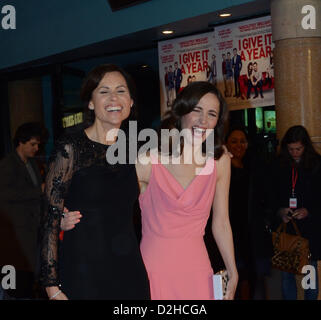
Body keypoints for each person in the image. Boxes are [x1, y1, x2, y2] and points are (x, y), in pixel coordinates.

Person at [39, 64, 150, 300]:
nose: (113, 98)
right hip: (83, 271)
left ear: (130, 102)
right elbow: (48, 218)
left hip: (129, 270)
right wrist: (52, 287)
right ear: (90, 102)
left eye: (121, 91)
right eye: (103, 91)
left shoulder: (135, 147)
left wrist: (216, 153)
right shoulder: (71, 147)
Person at [135, 81, 238, 300]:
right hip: (153, 272)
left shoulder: (219, 163)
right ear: (181, 112)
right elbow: (111, 206)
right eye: (196, 110)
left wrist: (233, 269)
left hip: (198, 273)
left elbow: (221, 222)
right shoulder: (148, 161)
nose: (203, 120)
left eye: (212, 114)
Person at [267, 125, 321, 300]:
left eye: (298, 149)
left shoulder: (317, 164)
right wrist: (280, 211)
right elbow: (270, 195)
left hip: (310, 232)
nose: (295, 153)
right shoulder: (278, 165)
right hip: (287, 229)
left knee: (309, 275)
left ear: (306, 147)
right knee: (286, 276)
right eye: (291, 149)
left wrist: (309, 211)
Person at [225, 127, 272, 300]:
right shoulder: (222, 169)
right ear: (226, 144)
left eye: (242, 141)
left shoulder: (254, 167)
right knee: (235, 277)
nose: (239, 145)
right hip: (230, 232)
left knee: (254, 278)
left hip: (253, 233)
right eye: (234, 141)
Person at [0, 122, 45, 299]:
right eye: (33, 144)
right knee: (19, 279)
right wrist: (38, 190)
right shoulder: (8, 164)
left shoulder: (31, 164)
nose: (36, 148)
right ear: (21, 142)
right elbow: (4, 194)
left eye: (38, 144)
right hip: (17, 231)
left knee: (30, 273)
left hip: (32, 228)